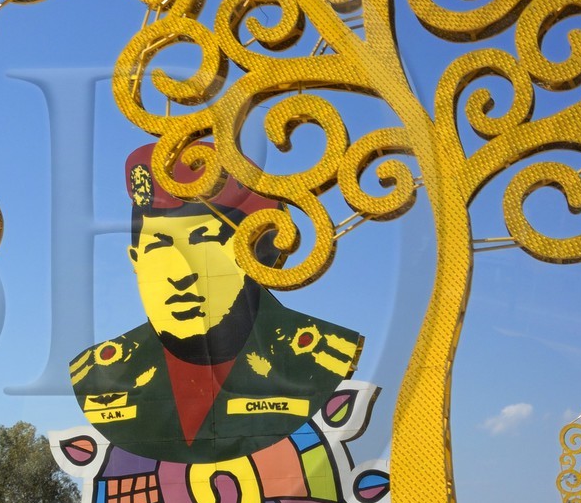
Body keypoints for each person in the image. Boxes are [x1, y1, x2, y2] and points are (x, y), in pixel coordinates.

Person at [72, 143, 363, 464]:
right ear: (135, 260)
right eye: (160, 244)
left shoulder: (316, 362)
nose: (181, 273)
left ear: (253, 256)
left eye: (204, 241)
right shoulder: (101, 375)